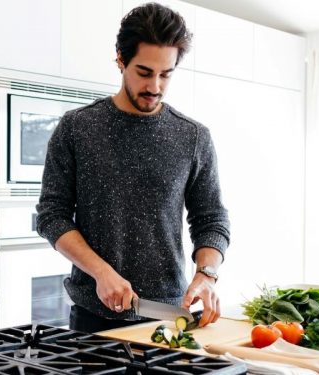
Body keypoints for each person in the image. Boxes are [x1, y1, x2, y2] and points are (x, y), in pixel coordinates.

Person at [35, 2, 230, 334]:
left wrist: (206, 274)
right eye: (144, 72)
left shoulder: (193, 136)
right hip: (93, 320)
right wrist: (100, 272)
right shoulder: (77, 128)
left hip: (169, 316)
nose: (155, 86)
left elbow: (211, 219)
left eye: (165, 74)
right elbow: (51, 216)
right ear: (120, 60)